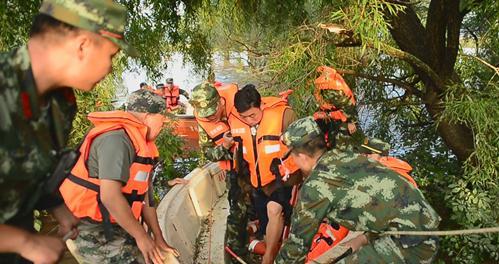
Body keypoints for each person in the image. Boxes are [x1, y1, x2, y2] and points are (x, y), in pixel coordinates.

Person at [0, 0, 136, 263]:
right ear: (83, 45)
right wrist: (25, 242)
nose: (109, 69)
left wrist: (58, 207)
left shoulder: (62, 102)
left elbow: (34, 171)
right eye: (112, 56)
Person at [275, 117, 441, 263]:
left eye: (293, 156)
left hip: (411, 244)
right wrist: (365, 238)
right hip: (425, 227)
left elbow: (296, 248)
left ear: (302, 156)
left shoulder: (315, 186)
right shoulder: (348, 156)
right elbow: (382, 203)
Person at [59, 90, 179, 264]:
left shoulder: (142, 145)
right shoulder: (116, 140)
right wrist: (142, 237)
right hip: (90, 227)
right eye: (162, 118)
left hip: (117, 220)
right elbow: (109, 196)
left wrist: (157, 238)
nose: (164, 123)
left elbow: (145, 198)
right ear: (148, 117)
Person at [229, 84, 301, 264]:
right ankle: (264, 240)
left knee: (274, 209)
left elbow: (304, 147)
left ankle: (268, 258)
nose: (250, 120)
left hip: (283, 178)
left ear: (261, 105)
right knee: (264, 219)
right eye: (244, 117)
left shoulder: (284, 115)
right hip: (257, 182)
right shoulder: (236, 121)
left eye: (253, 115)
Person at [189, 82, 253, 263]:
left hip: (258, 164)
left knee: (263, 208)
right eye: (205, 115)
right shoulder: (203, 122)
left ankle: (261, 242)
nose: (209, 118)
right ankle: (236, 254)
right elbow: (208, 153)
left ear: (220, 102)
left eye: (211, 112)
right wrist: (224, 146)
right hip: (235, 171)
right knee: (237, 213)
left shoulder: (239, 101)